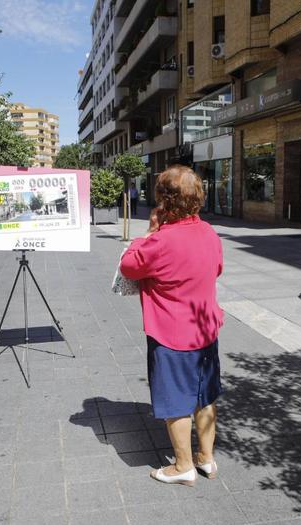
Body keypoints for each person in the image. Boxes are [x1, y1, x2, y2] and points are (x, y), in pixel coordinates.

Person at [120, 165, 224, 487]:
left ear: (164, 200)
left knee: (175, 401)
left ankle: (183, 465)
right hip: (205, 327)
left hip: (171, 334)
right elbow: (217, 268)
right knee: (204, 396)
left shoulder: (160, 241)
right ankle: (206, 458)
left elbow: (128, 266)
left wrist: (148, 234)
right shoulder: (209, 232)